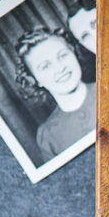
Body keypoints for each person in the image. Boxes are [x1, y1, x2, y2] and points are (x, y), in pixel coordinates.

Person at [15, 27, 96, 161]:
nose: (60, 68)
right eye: (45, 66)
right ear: (34, 80)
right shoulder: (48, 136)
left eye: (63, 55)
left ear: (73, 52)